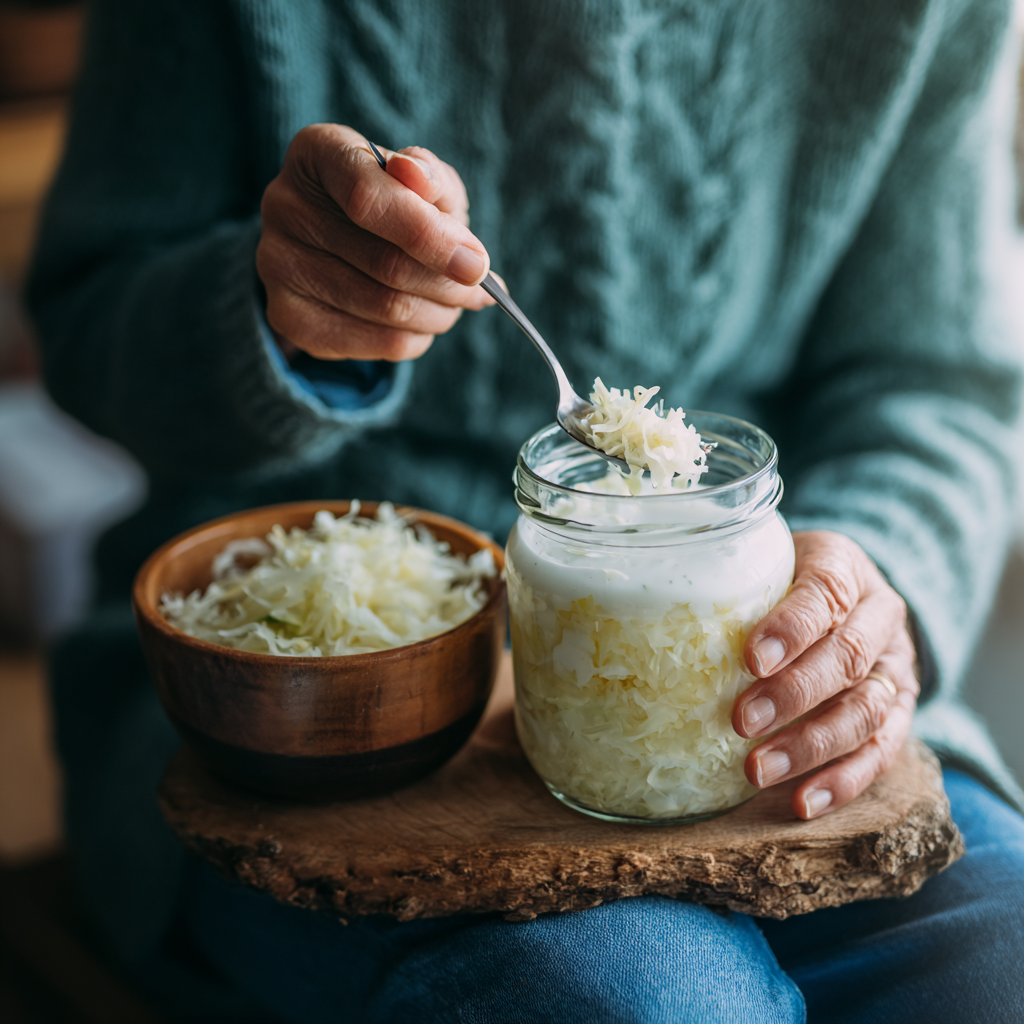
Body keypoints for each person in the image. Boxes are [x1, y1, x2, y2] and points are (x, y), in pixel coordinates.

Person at [26, 1, 1024, 1021]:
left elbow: (939, 383)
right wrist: (278, 316)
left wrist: (872, 580)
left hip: (769, 634)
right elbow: (87, 318)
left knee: (1005, 961)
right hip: (302, 695)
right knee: (641, 1002)